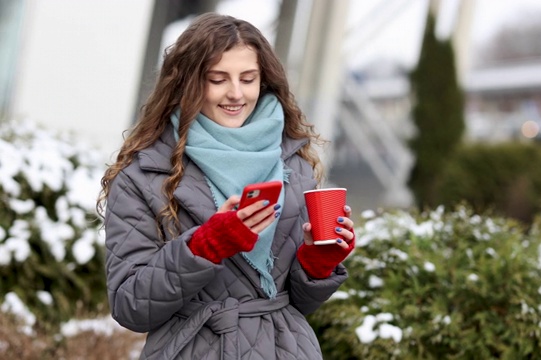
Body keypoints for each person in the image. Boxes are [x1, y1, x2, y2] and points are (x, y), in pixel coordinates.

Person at [97, 12, 356, 360]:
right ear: (188, 83)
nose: (236, 94)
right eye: (218, 79)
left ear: (263, 81)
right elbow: (131, 306)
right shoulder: (144, 174)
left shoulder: (291, 159)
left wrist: (317, 262)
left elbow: (297, 302)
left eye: (248, 79)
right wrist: (205, 246)